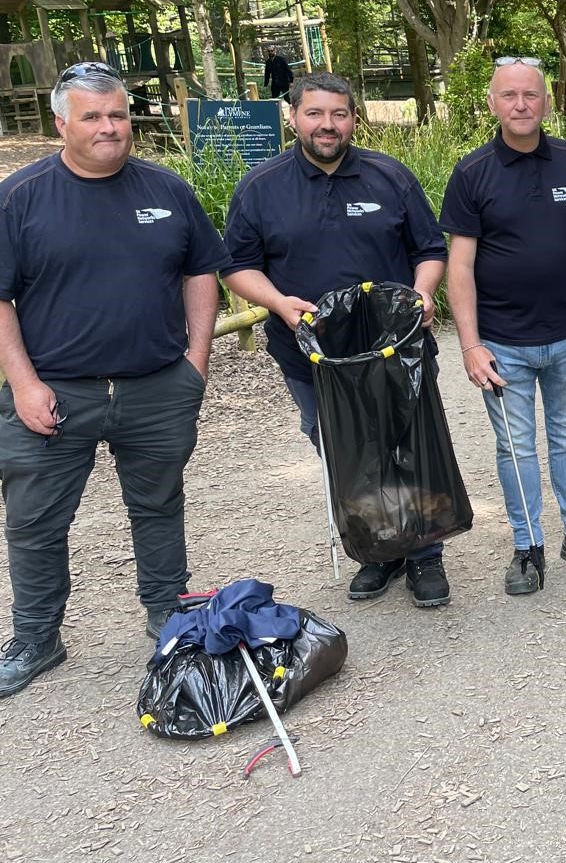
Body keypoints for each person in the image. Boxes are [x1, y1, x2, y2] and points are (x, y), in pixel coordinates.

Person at [0, 62, 230, 699]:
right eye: (93, 116)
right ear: (61, 124)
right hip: (56, 391)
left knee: (158, 506)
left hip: (157, 386)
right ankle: (37, 637)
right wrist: (22, 384)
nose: (110, 127)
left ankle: (167, 615)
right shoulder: (19, 198)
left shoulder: (167, 189)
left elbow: (201, 270)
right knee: (35, 522)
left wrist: (196, 361)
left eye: (118, 114)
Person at [221, 72, 454, 609]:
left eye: (339, 114)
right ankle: (379, 550)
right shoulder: (261, 187)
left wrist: (422, 294)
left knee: (410, 443)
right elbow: (236, 265)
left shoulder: (389, 176)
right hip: (313, 357)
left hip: (397, 348)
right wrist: (279, 303)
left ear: (354, 117)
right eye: (315, 114)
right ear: (293, 116)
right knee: (344, 449)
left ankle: (424, 556)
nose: (328, 125)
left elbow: (428, 248)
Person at [441, 59, 566, 596]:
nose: (521, 105)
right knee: (516, 449)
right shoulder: (472, 172)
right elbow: (460, 266)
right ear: (493, 104)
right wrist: (470, 344)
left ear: (547, 101)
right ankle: (527, 545)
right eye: (509, 96)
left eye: (531, 95)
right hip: (502, 342)